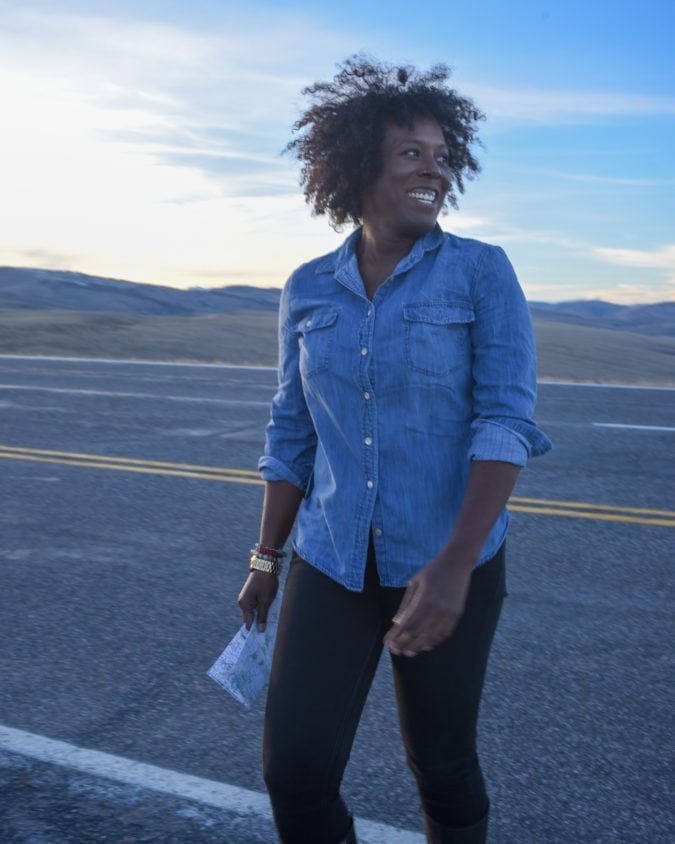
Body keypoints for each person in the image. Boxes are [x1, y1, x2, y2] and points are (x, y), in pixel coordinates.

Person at [238, 56, 551, 844]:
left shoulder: (481, 273)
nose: (434, 169)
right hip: (331, 557)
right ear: (356, 166)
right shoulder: (308, 286)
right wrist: (266, 558)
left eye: (441, 155)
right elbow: (292, 429)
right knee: (294, 774)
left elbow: (503, 420)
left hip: (447, 559)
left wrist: (452, 567)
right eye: (412, 152)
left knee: (441, 765)